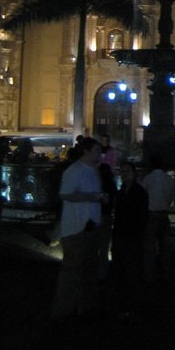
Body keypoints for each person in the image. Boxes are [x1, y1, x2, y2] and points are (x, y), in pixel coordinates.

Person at [50, 137, 105, 319]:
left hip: (91, 225)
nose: (100, 153)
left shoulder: (94, 170)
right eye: (97, 150)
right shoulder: (73, 171)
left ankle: (84, 306)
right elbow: (65, 194)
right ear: (86, 151)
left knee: (89, 268)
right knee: (72, 270)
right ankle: (63, 310)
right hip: (76, 227)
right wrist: (92, 197)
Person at [111, 160, 148, 317]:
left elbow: (141, 216)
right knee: (124, 270)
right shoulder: (123, 192)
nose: (124, 174)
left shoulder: (138, 192)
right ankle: (126, 304)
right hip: (123, 235)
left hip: (131, 236)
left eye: (127, 171)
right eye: (123, 171)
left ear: (134, 174)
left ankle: (131, 305)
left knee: (131, 270)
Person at [142, 156, 175, 283]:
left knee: (150, 247)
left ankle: (149, 274)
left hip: (150, 214)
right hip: (163, 214)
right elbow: (172, 197)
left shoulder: (148, 179)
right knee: (165, 246)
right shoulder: (169, 180)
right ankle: (165, 273)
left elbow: (143, 195)